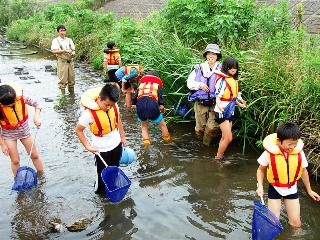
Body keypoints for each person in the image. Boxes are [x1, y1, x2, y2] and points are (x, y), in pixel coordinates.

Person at [256, 122, 320, 228]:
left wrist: (309, 190)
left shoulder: (299, 153)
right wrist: (260, 186)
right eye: (289, 144)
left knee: (296, 224)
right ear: (278, 141)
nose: (292, 147)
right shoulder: (270, 152)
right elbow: (260, 170)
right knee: (273, 223)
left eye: (295, 144)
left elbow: (304, 171)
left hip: (291, 189)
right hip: (275, 188)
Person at [75, 83, 127, 193]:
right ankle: (101, 200)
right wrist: (88, 147)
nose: (109, 108)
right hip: (101, 150)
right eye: (106, 104)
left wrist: (122, 138)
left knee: (114, 171)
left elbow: (118, 121)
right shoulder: (89, 113)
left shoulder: (114, 106)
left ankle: (111, 190)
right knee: (102, 177)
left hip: (116, 146)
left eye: (111, 105)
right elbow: (79, 130)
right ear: (100, 98)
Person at [0, 82, 44, 177]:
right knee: (15, 160)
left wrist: (36, 117)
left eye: (13, 102)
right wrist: (3, 145)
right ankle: (18, 180)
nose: (12, 105)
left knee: (34, 155)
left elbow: (38, 104)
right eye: (9, 105)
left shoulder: (21, 97)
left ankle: (42, 178)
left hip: (24, 130)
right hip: (8, 134)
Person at [187, 44, 222, 145]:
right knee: (199, 129)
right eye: (209, 53)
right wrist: (199, 85)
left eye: (214, 54)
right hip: (200, 103)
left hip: (216, 103)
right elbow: (189, 83)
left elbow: (230, 85)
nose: (211, 56)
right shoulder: (199, 68)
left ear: (217, 56)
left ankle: (207, 148)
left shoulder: (222, 69)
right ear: (206, 55)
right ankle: (200, 148)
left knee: (211, 129)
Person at [214, 57, 246, 159]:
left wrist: (240, 104)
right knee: (228, 138)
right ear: (226, 67)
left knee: (224, 137)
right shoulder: (222, 80)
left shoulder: (233, 80)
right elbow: (218, 97)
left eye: (235, 68)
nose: (233, 70)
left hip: (230, 110)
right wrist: (219, 105)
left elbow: (232, 97)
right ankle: (218, 158)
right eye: (231, 67)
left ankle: (220, 155)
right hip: (221, 111)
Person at [131, 70, 170, 145]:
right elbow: (161, 103)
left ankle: (146, 143)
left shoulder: (141, 86)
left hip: (140, 105)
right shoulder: (157, 86)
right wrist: (162, 109)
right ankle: (167, 140)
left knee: (144, 126)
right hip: (152, 106)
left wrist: (134, 105)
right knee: (162, 125)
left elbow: (134, 100)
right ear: (157, 79)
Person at [51, 25, 76, 95]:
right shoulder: (56, 41)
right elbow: (54, 51)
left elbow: (73, 49)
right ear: (58, 32)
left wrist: (73, 53)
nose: (63, 32)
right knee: (62, 80)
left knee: (72, 80)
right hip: (62, 62)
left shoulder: (69, 40)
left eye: (64, 30)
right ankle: (63, 97)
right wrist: (64, 50)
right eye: (61, 31)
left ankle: (72, 95)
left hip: (70, 62)